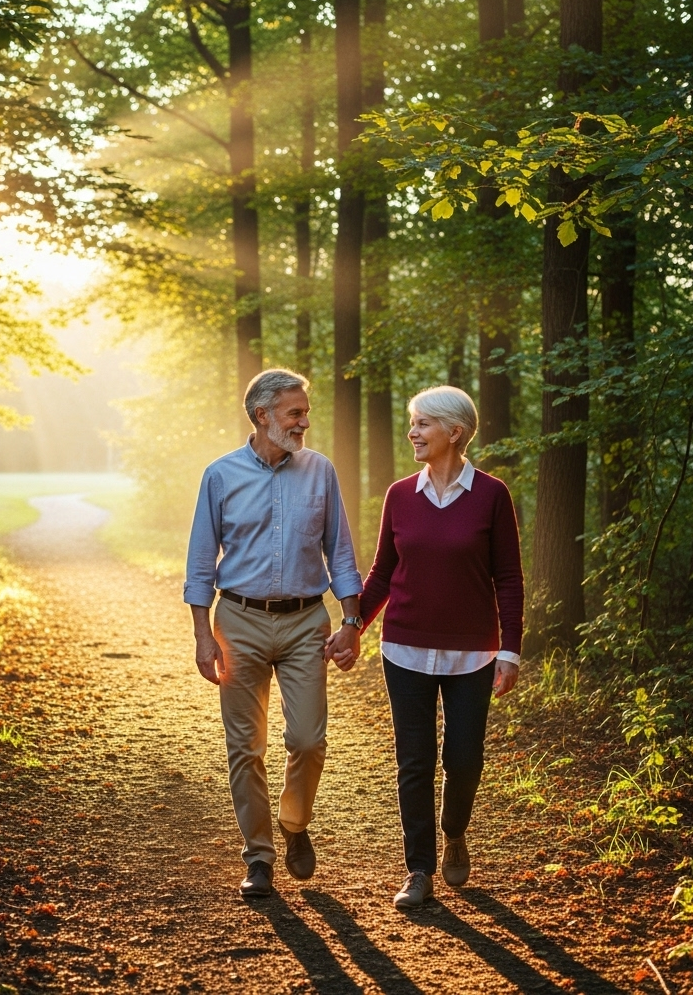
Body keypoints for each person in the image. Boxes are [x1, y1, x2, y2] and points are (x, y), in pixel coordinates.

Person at [336, 385, 523, 908]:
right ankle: (418, 869)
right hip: (405, 648)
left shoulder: (491, 495)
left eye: (421, 424)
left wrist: (511, 650)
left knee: (463, 758)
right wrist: (353, 624)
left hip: (474, 653)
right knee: (413, 761)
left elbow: (508, 577)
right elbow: (381, 573)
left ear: (454, 432)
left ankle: (454, 831)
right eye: (412, 423)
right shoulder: (400, 495)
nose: (412, 433)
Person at [185, 368, 364, 898]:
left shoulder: (320, 471)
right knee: (245, 745)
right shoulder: (219, 476)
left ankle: (294, 821)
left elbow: (342, 553)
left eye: (305, 412)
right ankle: (259, 855)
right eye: (295, 412)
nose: (305, 422)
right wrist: (202, 634)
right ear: (262, 415)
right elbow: (200, 563)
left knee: (308, 740)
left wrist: (351, 622)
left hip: (306, 619)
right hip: (238, 621)